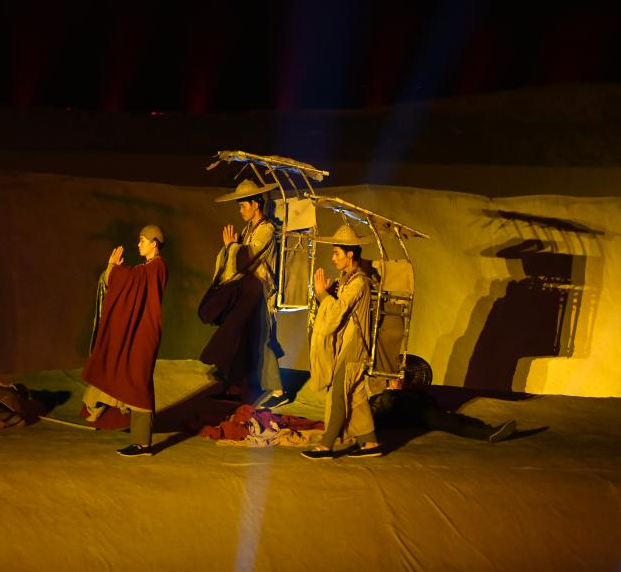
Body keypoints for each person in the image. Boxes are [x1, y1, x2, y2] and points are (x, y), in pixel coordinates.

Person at [198, 179, 286, 409]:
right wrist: (231, 247)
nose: (240, 210)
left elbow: (249, 255)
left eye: (243, 206)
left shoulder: (266, 229)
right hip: (248, 290)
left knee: (263, 339)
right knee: (239, 336)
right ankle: (233, 386)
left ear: (256, 205)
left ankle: (278, 390)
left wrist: (232, 247)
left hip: (259, 290)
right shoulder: (249, 230)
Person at [82, 224, 168, 457]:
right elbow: (131, 280)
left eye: (142, 240)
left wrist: (114, 268)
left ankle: (142, 444)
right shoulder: (147, 268)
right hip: (138, 331)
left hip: (145, 333)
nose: (138, 244)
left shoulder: (157, 267)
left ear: (154, 244)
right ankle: (134, 436)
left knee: (139, 383)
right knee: (126, 375)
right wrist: (114, 270)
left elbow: (132, 280)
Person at [302, 224, 382, 460]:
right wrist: (328, 293)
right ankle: (369, 442)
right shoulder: (346, 280)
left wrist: (323, 294)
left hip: (354, 346)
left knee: (338, 393)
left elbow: (336, 313)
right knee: (355, 395)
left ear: (350, 254)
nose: (333, 258)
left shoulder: (358, 283)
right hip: (348, 345)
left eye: (336, 253)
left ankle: (326, 445)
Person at [369, 356, 517, 443]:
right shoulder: (382, 396)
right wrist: (392, 391)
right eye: (397, 378)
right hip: (394, 414)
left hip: (418, 413)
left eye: (402, 378)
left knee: (446, 418)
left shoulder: (417, 394)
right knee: (436, 418)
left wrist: (408, 391)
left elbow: (430, 403)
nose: (400, 380)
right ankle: (486, 433)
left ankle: (488, 431)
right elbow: (378, 409)